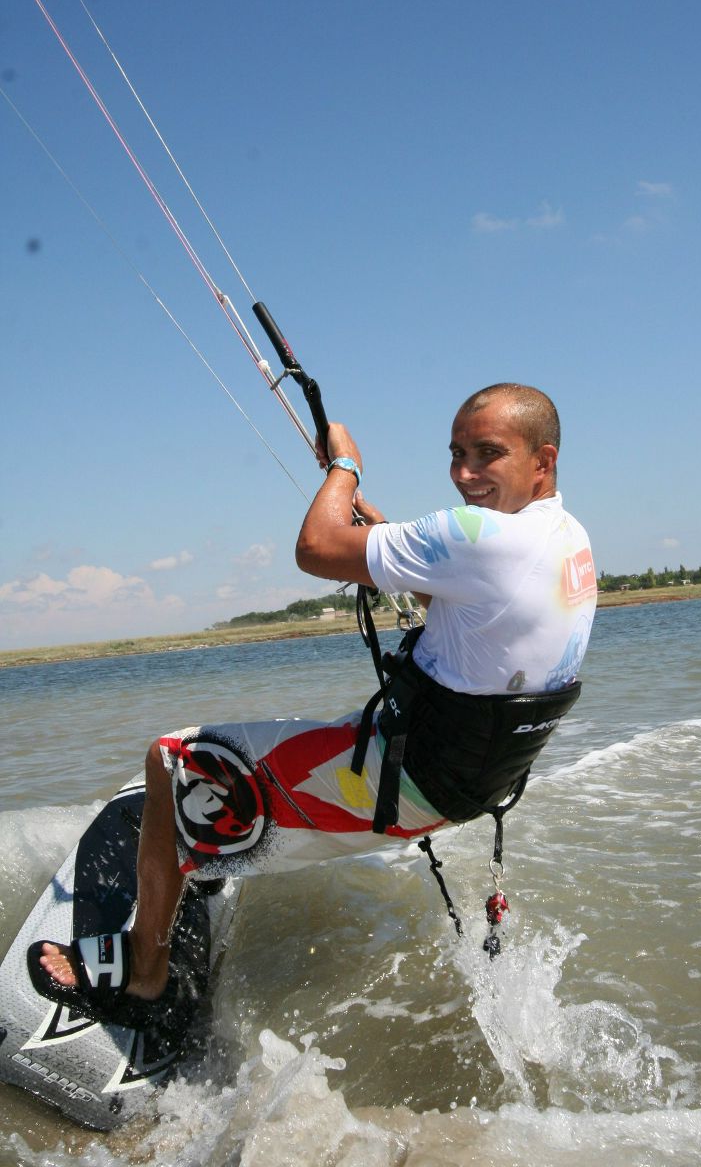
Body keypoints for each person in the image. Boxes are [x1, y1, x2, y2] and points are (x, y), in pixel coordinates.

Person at [32, 383, 596, 1024]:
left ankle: (145, 973)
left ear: (541, 461)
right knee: (265, 751)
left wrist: (343, 467)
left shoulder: (481, 535)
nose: (463, 472)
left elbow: (316, 548)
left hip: (405, 780)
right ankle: (211, 857)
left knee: (168, 760)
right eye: (456, 452)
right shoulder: (567, 540)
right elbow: (469, 596)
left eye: (487, 454)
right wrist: (387, 537)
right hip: (472, 782)